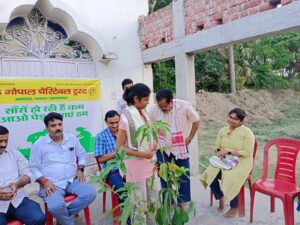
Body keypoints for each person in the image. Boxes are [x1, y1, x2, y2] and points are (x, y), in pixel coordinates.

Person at [29, 112, 96, 225]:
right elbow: (33, 167)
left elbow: (82, 155)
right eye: (53, 125)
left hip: (72, 179)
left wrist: (80, 169)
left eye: (60, 124)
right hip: (52, 184)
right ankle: (66, 221)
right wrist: (44, 181)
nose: (58, 128)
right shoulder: (39, 144)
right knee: (55, 207)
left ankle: (62, 218)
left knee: (90, 194)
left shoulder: (72, 139)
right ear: (46, 127)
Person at [149, 88, 200, 210]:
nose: (162, 109)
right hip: (162, 146)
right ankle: (169, 201)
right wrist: (154, 141)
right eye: (160, 106)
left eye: (165, 106)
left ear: (171, 101)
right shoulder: (154, 109)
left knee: (183, 173)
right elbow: (150, 125)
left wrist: (190, 137)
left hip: (180, 145)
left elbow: (196, 121)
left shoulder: (184, 106)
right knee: (164, 174)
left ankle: (183, 201)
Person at [200, 108, 255, 218]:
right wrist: (219, 152)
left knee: (232, 177)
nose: (231, 120)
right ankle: (220, 197)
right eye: (230, 117)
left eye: (235, 119)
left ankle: (234, 206)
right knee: (209, 173)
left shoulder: (247, 133)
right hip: (224, 159)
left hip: (241, 161)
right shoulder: (222, 130)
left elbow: (248, 152)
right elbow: (217, 146)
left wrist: (229, 152)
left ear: (241, 121)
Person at [116, 83, 156, 222]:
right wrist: (143, 154)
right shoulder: (125, 118)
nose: (148, 102)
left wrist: (153, 146)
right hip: (135, 165)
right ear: (135, 99)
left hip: (149, 161)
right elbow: (119, 148)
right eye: (145, 99)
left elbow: (147, 135)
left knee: (152, 199)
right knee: (139, 202)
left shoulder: (143, 113)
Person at [0, 125, 46, 225]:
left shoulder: (14, 154)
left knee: (38, 218)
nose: (3, 144)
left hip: (19, 201)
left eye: (6, 141)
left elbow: (28, 174)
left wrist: (16, 185)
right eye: (0, 141)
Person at [94, 110, 126, 202]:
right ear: (106, 122)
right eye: (111, 123)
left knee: (138, 186)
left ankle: (135, 211)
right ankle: (127, 214)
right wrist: (117, 152)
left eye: (117, 122)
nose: (115, 125)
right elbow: (100, 159)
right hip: (111, 170)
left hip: (127, 167)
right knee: (123, 191)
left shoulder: (124, 133)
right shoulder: (101, 137)